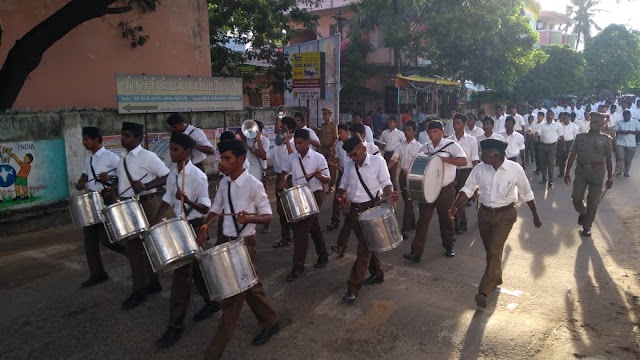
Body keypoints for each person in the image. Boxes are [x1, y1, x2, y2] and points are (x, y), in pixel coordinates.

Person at [195, 139, 279, 359]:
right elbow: (216, 208)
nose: (222, 163)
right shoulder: (224, 183)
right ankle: (270, 322)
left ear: (241, 160)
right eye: (221, 158)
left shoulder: (254, 184)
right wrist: (205, 227)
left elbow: (268, 215)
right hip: (226, 240)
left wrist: (250, 218)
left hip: (245, 244)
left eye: (227, 159)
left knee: (232, 298)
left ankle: (213, 352)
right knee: (250, 286)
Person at [449, 139, 542, 308]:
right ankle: (496, 276)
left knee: (494, 250)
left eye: (484, 153)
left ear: (496, 154)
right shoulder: (479, 169)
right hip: (484, 214)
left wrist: (536, 216)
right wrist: (455, 208)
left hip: (505, 216)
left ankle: (483, 291)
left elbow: (526, 193)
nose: (481, 156)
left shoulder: (515, 170)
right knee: (491, 252)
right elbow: (467, 189)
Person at [150, 132, 220, 348]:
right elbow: (167, 198)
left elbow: (206, 207)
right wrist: (154, 223)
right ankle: (211, 301)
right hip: (180, 226)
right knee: (196, 268)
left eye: (175, 149)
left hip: (195, 225)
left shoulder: (197, 176)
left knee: (181, 276)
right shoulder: (173, 173)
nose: (172, 153)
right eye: (171, 149)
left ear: (188, 152)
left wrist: (188, 199)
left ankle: (175, 327)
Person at [336, 136, 398, 303]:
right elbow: (343, 184)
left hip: (371, 208)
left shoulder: (378, 162)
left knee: (363, 250)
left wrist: (388, 196)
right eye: (350, 155)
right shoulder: (350, 165)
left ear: (363, 148)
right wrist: (341, 197)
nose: (352, 158)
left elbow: (386, 183)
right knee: (370, 244)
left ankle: (353, 287)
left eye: (355, 154)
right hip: (354, 210)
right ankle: (377, 274)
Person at [117, 121, 170, 310]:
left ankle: (138, 291)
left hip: (145, 204)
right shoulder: (122, 157)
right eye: (122, 135)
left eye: (127, 136)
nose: (123, 139)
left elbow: (167, 176)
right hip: (128, 205)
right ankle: (153, 283)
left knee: (138, 248)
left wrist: (147, 186)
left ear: (138, 138)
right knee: (138, 248)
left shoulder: (148, 156)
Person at [404, 121, 467, 262]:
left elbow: (463, 161)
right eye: (430, 132)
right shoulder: (424, 149)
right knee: (423, 220)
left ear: (442, 132)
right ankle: (416, 252)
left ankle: (449, 246)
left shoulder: (451, 146)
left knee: (446, 219)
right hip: (428, 190)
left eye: (435, 131)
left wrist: (443, 159)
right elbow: (417, 169)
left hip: (446, 189)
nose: (432, 134)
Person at [75, 127, 124, 288]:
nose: (84, 142)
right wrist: (81, 182)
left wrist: (109, 178)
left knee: (107, 239)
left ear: (98, 140)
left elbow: (122, 177)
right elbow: (85, 173)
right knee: (89, 239)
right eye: (84, 139)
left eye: (87, 139)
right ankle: (97, 273)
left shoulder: (111, 157)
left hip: (105, 198)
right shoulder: (88, 158)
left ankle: (136, 256)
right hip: (91, 200)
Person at [279, 129, 331, 281]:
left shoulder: (318, 158)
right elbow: (285, 171)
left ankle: (298, 266)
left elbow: (327, 179)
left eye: (300, 143)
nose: (297, 146)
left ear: (308, 143)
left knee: (301, 232)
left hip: (315, 195)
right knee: (312, 227)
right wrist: (283, 179)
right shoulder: (292, 158)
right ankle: (323, 255)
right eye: (295, 143)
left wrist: (321, 177)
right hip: (298, 195)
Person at [564, 112, 614, 237]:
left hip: (597, 173)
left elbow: (608, 159)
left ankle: (587, 226)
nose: (593, 124)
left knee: (593, 201)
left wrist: (610, 177)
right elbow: (572, 155)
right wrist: (567, 172)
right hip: (581, 172)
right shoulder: (580, 137)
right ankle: (583, 211)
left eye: (596, 123)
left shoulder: (606, 140)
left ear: (602, 124)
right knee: (576, 198)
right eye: (592, 122)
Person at [387, 121, 423, 238]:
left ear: (414, 132)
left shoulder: (419, 147)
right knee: (408, 201)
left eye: (409, 130)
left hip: (413, 177)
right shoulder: (400, 146)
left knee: (409, 202)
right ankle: (412, 224)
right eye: (405, 130)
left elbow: (421, 164)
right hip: (402, 176)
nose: (406, 132)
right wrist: (385, 169)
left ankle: (405, 228)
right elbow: (394, 159)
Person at [447, 115, 479, 235]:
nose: (456, 125)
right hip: (452, 171)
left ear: (464, 124)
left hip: (466, 171)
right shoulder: (449, 140)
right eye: (454, 123)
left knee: (460, 197)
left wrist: (477, 178)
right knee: (453, 198)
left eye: (459, 123)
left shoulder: (472, 140)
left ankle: (458, 224)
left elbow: (475, 160)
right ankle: (460, 222)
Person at [272, 117, 296, 248]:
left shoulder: (294, 143)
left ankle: (296, 233)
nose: (280, 129)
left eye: (283, 127)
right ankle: (286, 236)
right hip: (279, 177)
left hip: (289, 178)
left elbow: (294, 160)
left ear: (290, 130)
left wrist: (288, 143)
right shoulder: (278, 142)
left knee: (291, 208)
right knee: (281, 210)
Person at [327, 123, 351, 231]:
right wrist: (334, 162)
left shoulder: (354, 143)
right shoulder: (339, 145)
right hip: (342, 173)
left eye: (341, 132)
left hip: (353, 174)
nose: (340, 135)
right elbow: (338, 159)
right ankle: (334, 220)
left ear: (347, 132)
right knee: (338, 196)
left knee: (353, 197)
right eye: (338, 133)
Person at [535, 110, 564, 187]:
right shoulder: (541, 125)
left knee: (551, 163)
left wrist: (562, 147)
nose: (549, 116)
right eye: (548, 114)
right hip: (542, 146)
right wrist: (536, 135)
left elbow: (561, 137)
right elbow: (538, 132)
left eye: (551, 114)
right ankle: (544, 178)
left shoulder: (558, 125)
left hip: (552, 146)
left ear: (553, 116)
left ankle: (550, 180)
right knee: (543, 163)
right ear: (546, 115)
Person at [379, 116, 407, 189]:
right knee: (386, 171)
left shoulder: (400, 133)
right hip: (386, 154)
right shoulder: (384, 132)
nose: (390, 123)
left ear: (396, 123)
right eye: (389, 122)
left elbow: (404, 144)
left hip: (395, 155)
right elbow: (380, 142)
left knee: (393, 173)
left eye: (391, 122)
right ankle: (387, 188)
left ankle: (394, 189)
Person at [613, 110, 640, 177]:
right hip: (620, 142)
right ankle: (618, 171)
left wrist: (631, 132)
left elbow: (638, 131)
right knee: (619, 157)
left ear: (630, 116)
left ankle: (626, 171)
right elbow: (615, 131)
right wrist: (621, 132)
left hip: (631, 143)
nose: (626, 117)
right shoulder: (619, 123)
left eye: (627, 116)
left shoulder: (635, 122)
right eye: (625, 116)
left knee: (628, 159)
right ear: (623, 116)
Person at [319, 108, 338, 193]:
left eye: (325, 114)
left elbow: (335, 138)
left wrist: (331, 147)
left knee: (332, 168)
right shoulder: (323, 125)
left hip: (330, 150)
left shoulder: (333, 125)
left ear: (330, 115)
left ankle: (331, 186)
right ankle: (322, 185)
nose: (324, 116)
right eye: (323, 115)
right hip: (322, 149)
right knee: (322, 167)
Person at [558, 112, 579, 177]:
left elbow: (576, 136)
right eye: (564, 118)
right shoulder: (559, 126)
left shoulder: (574, 126)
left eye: (566, 118)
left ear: (569, 118)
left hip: (570, 143)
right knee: (561, 158)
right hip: (561, 143)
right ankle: (561, 172)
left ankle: (568, 172)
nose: (565, 120)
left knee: (569, 158)